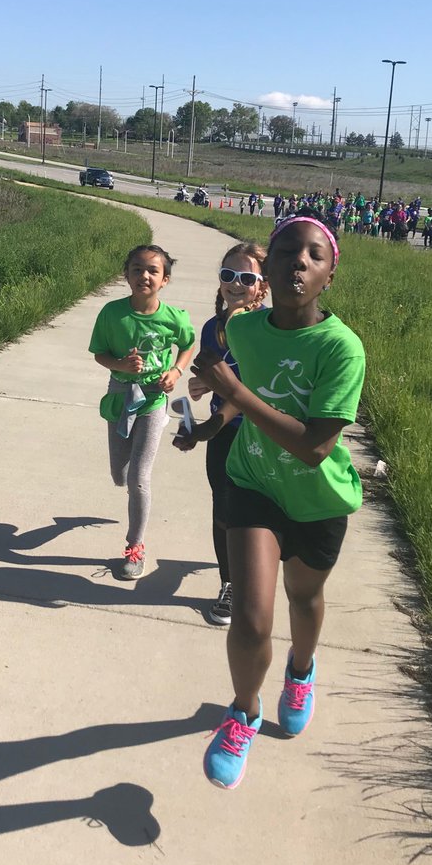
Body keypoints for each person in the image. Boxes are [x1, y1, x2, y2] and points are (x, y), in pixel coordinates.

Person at [193, 213, 365, 789]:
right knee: (250, 616)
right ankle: (243, 711)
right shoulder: (241, 331)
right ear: (265, 269)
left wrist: (232, 389)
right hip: (254, 483)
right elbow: (226, 387)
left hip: (317, 498)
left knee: (305, 595)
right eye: (286, 251)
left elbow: (316, 446)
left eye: (313, 255)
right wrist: (210, 414)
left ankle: (300, 670)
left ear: (329, 275)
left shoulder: (341, 348)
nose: (299, 261)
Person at [172, 242, 269, 626]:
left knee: (260, 516)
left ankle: (255, 579)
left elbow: (254, 392)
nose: (235, 283)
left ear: (262, 287)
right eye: (228, 275)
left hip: (261, 435)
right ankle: (230, 584)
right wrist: (202, 385)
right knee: (224, 511)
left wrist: (207, 427)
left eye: (246, 277)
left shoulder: (269, 330)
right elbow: (225, 379)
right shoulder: (213, 329)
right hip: (224, 435)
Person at [88, 245, 195, 580]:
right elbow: (99, 354)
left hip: (152, 399)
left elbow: (189, 344)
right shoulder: (112, 314)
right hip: (121, 395)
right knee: (119, 475)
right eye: (137, 269)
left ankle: (135, 546)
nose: (144, 276)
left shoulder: (174, 318)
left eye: (152, 271)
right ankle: (130, 488)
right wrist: (120, 364)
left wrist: (176, 371)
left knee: (138, 478)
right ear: (127, 274)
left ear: (165, 279)